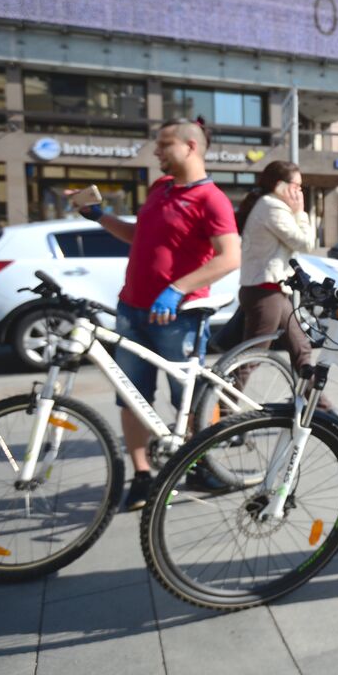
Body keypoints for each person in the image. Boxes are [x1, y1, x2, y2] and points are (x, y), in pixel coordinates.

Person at [77, 118, 240, 511]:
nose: (157, 152)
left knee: (188, 398)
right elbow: (140, 237)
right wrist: (100, 217)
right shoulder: (160, 188)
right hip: (131, 310)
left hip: (178, 316)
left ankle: (203, 464)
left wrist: (176, 289)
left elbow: (230, 257)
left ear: (190, 147)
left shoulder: (211, 198)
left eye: (164, 145)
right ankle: (143, 476)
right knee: (131, 398)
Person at [235, 161, 338, 417]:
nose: (299, 191)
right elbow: (304, 242)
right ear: (280, 186)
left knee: (301, 348)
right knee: (251, 358)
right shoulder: (272, 207)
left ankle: (321, 407)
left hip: (272, 290)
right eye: (296, 185)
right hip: (265, 293)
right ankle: (222, 410)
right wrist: (301, 212)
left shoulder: (268, 205)